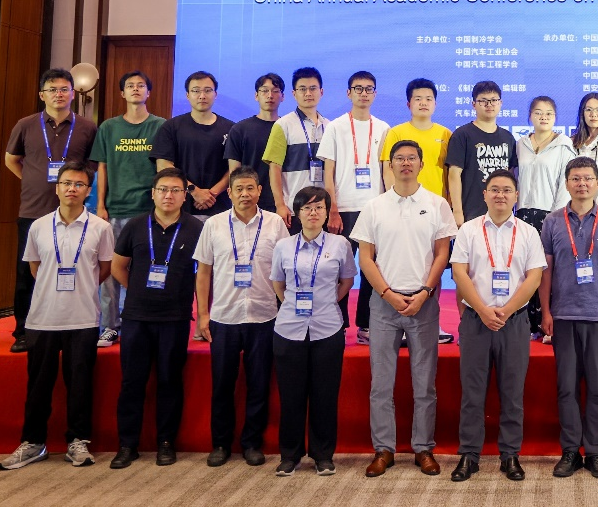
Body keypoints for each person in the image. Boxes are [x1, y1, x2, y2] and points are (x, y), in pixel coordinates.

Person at [0, 161, 114, 471]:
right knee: (38, 384)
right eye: (66, 183)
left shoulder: (101, 228)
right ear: (57, 188)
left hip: (83, 318)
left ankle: (78, 441)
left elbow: (104, 270)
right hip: (43, 318)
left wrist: (80, 287)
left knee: (80, 384)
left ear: (88, 191)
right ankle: (33, 442)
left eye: (79, 184)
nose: (72, 189)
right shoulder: (38, 226)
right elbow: (35, 268)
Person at [357, 140, 457, 478]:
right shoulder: (374, 206)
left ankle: (423, 448)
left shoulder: (437, 204)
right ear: (390, 165)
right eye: (398, 158)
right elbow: (365, 257)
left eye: (411, 158)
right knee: (381, 383)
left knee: (424, 383)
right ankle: (383, 449)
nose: (405, 163)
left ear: (421, 163)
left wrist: (426, 291)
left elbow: (442, 253)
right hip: (384, 304)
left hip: (423, 303)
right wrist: (386, 293)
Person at [448, 169, 546, 482]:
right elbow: (459, 273)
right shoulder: (469, 230)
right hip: (476, 321)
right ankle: (469, 455)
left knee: (512, 393)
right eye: (494, 189)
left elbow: (534, 277)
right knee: (472, 393)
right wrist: (483, 310)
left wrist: (506, 310)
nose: (500, 195)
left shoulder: (528, 232)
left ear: (516, 196)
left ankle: (510, 455)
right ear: (485, 194)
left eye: (506, 190)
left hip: (514, 322)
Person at [194, 166, 290, 467]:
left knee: (259, 384)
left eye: (250, 188)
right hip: (224, 316)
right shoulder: (214, 225)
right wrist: (203, 314)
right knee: (222, 384)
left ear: (260, 191)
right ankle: (221, 444)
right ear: (230, 192)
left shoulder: (275, 224)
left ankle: (251, 443)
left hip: (264, 316)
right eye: (239, 189)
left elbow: (286, 269)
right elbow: (203, 272)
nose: (245, 194)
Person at [538, 157, 598, 478]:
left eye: (588, 178)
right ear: (566, 184)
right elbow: (545, 271)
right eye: (575, 178)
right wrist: (546, 311)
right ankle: (570, 451)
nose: (582, 184)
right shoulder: (552, 222)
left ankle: (597, 452)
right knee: (566, 387)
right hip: (563, 315)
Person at [109, 168, 204, 468]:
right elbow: (117, 266)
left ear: (185, 196)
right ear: (153, 193)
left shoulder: (196, 228)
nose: (168, 195)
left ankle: (166, 442)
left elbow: (204, 273)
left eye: (176, 190)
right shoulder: (136, 225)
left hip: (175, 318)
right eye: (163, 189)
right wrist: (137, 290)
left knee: (169, 381)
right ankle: (128, 445)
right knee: (132, 382)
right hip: (136, 317)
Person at [4, 68, 98, 352]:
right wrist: (32, 180)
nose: (59, 94)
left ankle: (71, 326)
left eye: (64, 89)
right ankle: (23, 330)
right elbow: (11, 160)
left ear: (73, 94)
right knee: (27, 271)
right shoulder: (25, 125)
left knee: (75, 268)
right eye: (53, 89)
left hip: (75, 213)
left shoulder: (87, 127)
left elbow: (93, 166)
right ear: (42, 94)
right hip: (34, 210)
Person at [268, 186, 357, 476]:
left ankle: (323, 455)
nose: (313, 213)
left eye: (319, 207)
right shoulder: (283, 246)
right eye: (307, 207)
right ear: (297, 213)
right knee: (291, 395)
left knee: (325, 395)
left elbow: (346, 281)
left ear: (327, 212)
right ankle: (289, 455)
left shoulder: (340, 244)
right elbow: (278, 283)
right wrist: (292, 305)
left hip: (327, 328)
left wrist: (327, 302)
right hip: (289, 329)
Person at [89, 71, 165, 349]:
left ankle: (144, 321)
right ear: (122, 93)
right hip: (115, 210)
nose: (135, 89)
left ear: (149, 92)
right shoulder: (109, 128)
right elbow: (102, 167)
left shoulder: (160, 126)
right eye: (130, 86)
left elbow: (164, 166)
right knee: (110, 270)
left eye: (141, 85)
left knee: (147, 269)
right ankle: (110, 326)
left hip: (149, 211)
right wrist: (100, 205)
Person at [380, 77, 456, 346]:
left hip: (435, 211)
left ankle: (432, 322)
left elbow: (450, 174)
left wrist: (449, 206)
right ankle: (400, 322)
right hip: (402, 209)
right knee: (402, 265)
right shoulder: (396, 132)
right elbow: (388, 169)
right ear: (408, 103)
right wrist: (393, 202)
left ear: (435, 103)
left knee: (435, 267)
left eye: (429, 99)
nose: (423, 103)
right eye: (418, 98)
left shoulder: (446, 134)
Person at [318, 70, 390, 342]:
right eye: (358, 88)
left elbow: (386, 171)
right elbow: (328, 172)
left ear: (375, 94)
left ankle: (366, 325)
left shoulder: (383, 128)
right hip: (344, 209)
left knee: (372, 270)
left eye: (369, 88)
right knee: (338, 268)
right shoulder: (335, 127)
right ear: (348, 93)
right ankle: (336, 322)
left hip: (375, 210)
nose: (363, 93)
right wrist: (332, 209)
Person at [516, 96, 574, 340]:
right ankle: (528, 324)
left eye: (549, 113)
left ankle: (548, 324)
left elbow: (565, 183)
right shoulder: (520, 144)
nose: (543, 117)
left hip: (549, 215)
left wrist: (556, 217)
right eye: (538, 112)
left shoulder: (564, 145)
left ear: (555, 117)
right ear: (530, 115)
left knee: (549, 270)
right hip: (522, 214)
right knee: (525, 269)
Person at [152, 70, 234, 220]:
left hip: (220, 209)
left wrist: (212, 193)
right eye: (196, 91)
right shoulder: (171, 127)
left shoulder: (231, 129)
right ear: (187, 95)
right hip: (180, 208)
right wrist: (194, 191)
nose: (202, 96)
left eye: (207, 90)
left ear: (215, 94)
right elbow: (163, 166)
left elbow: (235, 167)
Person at [263, 67, 329, 227]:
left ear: (321, 92)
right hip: (294, 208)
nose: (308, 93)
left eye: (313, 88)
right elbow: (274, 168)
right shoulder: (283, 125)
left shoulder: (329, 126)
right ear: (294, 93)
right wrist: (280, 205)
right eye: (302, 89)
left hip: (322, 209)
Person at [446, 81, 518, 226]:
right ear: (474, 104)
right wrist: (457, 211)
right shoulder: (462, 135)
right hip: (471, 212)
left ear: (500, 103)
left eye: (493, 100)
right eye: (483, 101)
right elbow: (454, 174)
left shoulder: (508, 137)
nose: (489, 105)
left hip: (502, 214)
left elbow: (511, 174)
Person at [225, 73, 286, 212]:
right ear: (256, 95)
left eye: (275, 91)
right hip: (249, 201)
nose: (270, 95)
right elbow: (234, 172)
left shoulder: (287, 128)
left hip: (283, 203)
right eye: (264, 91)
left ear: (282, 96)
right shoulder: (239, 129)